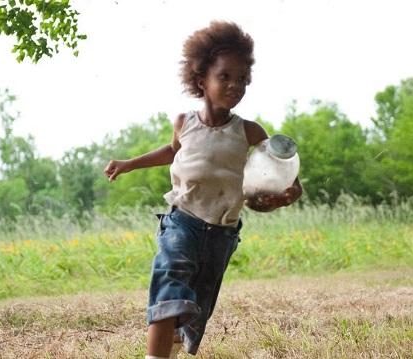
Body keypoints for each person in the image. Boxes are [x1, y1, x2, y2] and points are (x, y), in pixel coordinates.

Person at [104, 21, 302, 359]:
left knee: (196, 308)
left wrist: (285, 196)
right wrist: (130, 163)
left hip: (222, 232)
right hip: (183, 221)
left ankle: (172, 347)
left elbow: (282, 174)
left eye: (241, 78)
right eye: (224, 76)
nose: (234, 85)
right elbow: (172, 152)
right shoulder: (185, 123)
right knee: (170, 281)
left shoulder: (250, 132)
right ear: (201, 81)